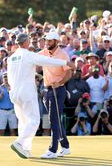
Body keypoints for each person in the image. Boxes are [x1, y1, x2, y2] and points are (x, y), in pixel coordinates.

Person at [7, 33, 74, 159]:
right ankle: (20, 142)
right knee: (34, 120)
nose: (47, 42)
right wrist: (66, 62)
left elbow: (10, 77)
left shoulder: (12, 57)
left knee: (24, 121)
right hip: (27, 92)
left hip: (15, 93)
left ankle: (26, 149)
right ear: (26, 42)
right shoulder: (29, 55)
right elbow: (47, 61)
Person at [38, 31, 74, 159]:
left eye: (50, 41)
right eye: (46, 40)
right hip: (46, 90)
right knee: (56, 120)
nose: (47, 43)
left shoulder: (63, 55)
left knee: (53, 120)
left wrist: (59, 83)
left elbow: (69, 73)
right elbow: (34, 58)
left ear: (56, 41)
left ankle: (52, 150)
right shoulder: (45, 52)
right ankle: (65, 147)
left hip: (57, 90)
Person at [0, 71, 17, 136]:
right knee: (1, 131)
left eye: (7, 77)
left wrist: (9, 91)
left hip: (11, 111)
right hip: (2, 111)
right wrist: (2, 94)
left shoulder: (13, 88)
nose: (6, 79)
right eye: (4, 77)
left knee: (13, 131)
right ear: (2, 78)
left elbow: (15, 100)